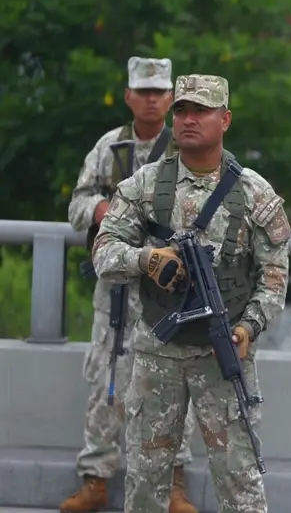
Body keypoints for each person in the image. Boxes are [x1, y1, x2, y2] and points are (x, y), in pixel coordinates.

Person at [92, 74, 291, 513]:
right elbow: (103, 251)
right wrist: (146, 260)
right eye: (181, 110)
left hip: (223, 356)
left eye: (201, 111)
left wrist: (249, 326)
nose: (188, 119)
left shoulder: (255, 193)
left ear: (225, 119)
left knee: (240, 482)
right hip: (157, 352)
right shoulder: (144, 185)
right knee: (145, 481)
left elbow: (274, 276)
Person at [63, 56, 198, 513]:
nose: (152, 99)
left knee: (171, 386)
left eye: (160, 91)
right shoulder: (110, 147)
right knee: (107, 382)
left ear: (171, 96)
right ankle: (96, 478)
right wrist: (102, 211)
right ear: (128, 96)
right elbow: (77, 203)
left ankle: (174, 484)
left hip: (167, 288)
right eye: (143, 91)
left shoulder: (185, 146)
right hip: (116, 285)